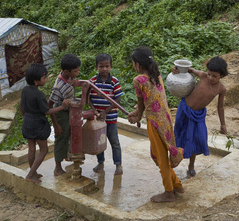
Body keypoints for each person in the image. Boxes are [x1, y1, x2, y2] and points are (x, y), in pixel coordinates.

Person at [128, 46, 184, 202]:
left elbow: (141, 108)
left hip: (154, 123)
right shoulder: (156, 76)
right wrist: (137, 113)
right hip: (165, 120)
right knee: (160, 155)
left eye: (133, 63)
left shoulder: (138, 80)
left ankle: (169, 193)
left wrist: (136, 116)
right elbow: (149, 101)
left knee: (160, 157)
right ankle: (177, 185)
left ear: (138, 65)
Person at [173, 56, 228, 176]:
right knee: (178, 133)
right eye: (209, 74)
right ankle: (172, 159)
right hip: (184, 109)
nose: (210, 78)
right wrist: (176, 69)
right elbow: (189, 70)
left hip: (198, 116)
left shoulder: (221, 89)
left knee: (196, 139)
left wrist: (223, 124)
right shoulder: (202, 76)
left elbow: (220, 107)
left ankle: (191, 166)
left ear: (221, 76)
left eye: (214, 76)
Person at [20, 63, 71, 184]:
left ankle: (34, 171)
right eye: (44, 78)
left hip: (27, 122)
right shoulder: (39, 94)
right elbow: (47, 110)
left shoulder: (25, 90)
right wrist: (62, 106)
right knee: (43, 149)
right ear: (36, 81)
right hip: (37, 124)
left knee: (31, 149)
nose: (46, 79)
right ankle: (31, 174)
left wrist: (26, 118)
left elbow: (21, 107)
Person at [49, 53, 83, 176]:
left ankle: (69, 156)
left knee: (71, 133)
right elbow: (49, 105)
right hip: (60, 113)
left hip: (68, 110)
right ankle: (57, 167)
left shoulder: (69, 78)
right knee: (61, 137)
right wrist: (55, 124)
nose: (77, 73)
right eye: (75, 71)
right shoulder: (59, 86)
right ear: (66, 71)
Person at [89, 53, 123, 175]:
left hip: (111, 118)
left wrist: (106, 111)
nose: (104, 69)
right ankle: (100, 162)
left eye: (107, 66)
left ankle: (118, 164)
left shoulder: (114, 81)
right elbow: (88, 97)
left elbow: (117, 99)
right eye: (101, 66)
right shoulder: (92, 81)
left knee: (114, 142)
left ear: (111, 66)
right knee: (99, 142)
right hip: (98, 119)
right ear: (96, 66)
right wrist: (94, 110)